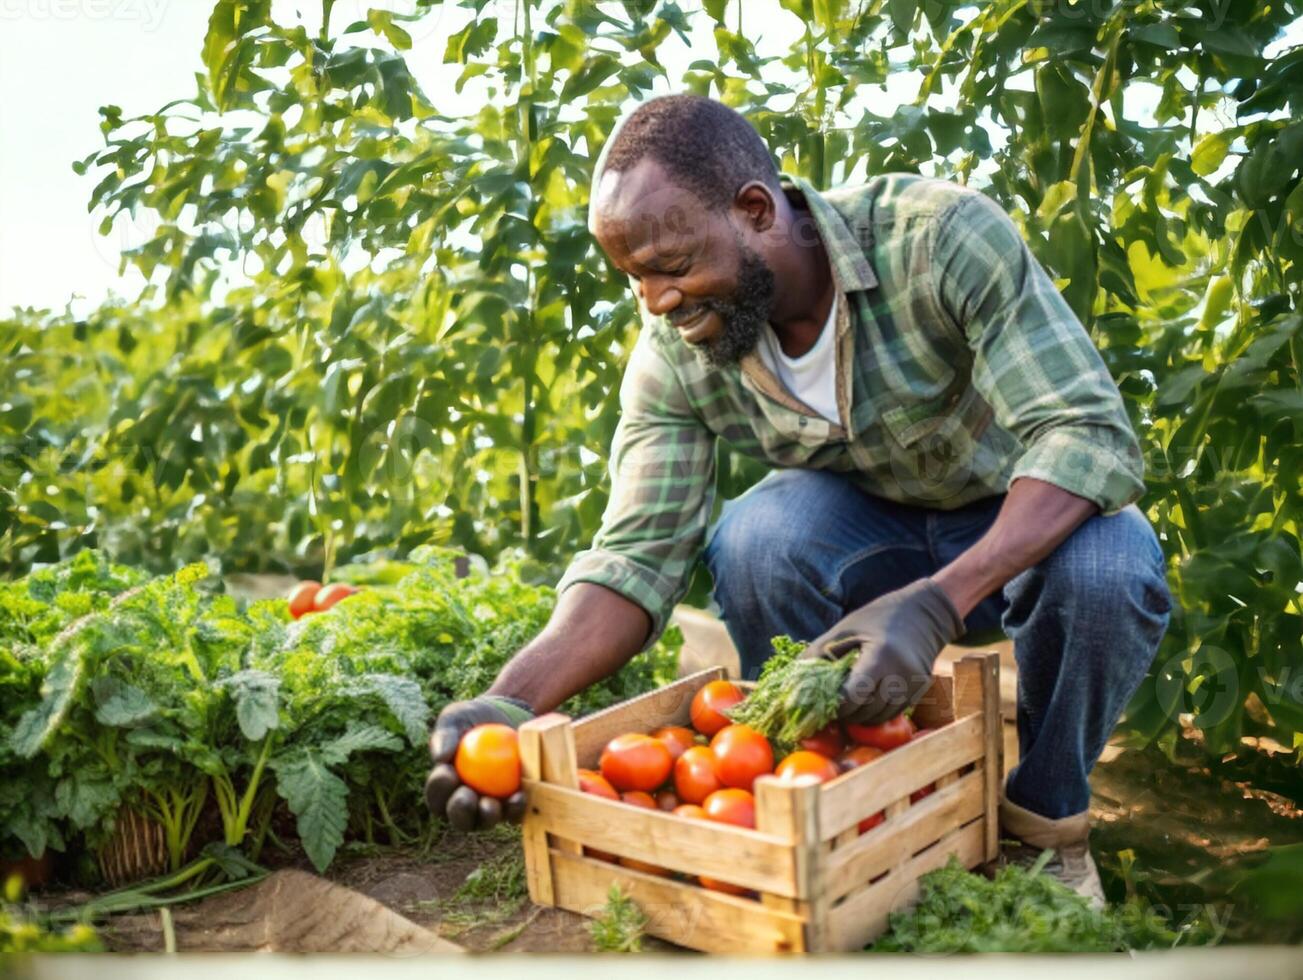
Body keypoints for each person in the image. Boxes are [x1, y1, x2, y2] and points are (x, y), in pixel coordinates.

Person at [425, 94, 1172, 906]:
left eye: (670, 267)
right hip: (867, 527)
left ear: (754, 210)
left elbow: (1087, 435)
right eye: (634, 278)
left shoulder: (936, 239)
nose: (656, 302)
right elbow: (636, 555)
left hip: (1020, 516)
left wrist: (935, 604)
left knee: (1109, 569)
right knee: (756, 541)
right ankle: (835, 793)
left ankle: (1044, 823)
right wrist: (511, 697)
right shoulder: (676, 353)